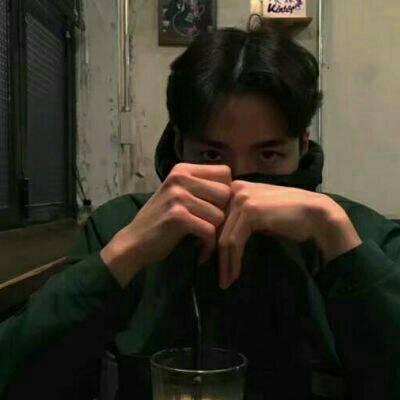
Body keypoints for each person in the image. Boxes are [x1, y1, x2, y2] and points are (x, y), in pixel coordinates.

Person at [1, 27, 400, 400]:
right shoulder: (119, 226)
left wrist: (340, 244)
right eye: (211, 154)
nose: (240, 188)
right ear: (179, 145)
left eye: (268, 155)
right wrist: (122, 257)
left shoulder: (360, 233)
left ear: (303, 145)